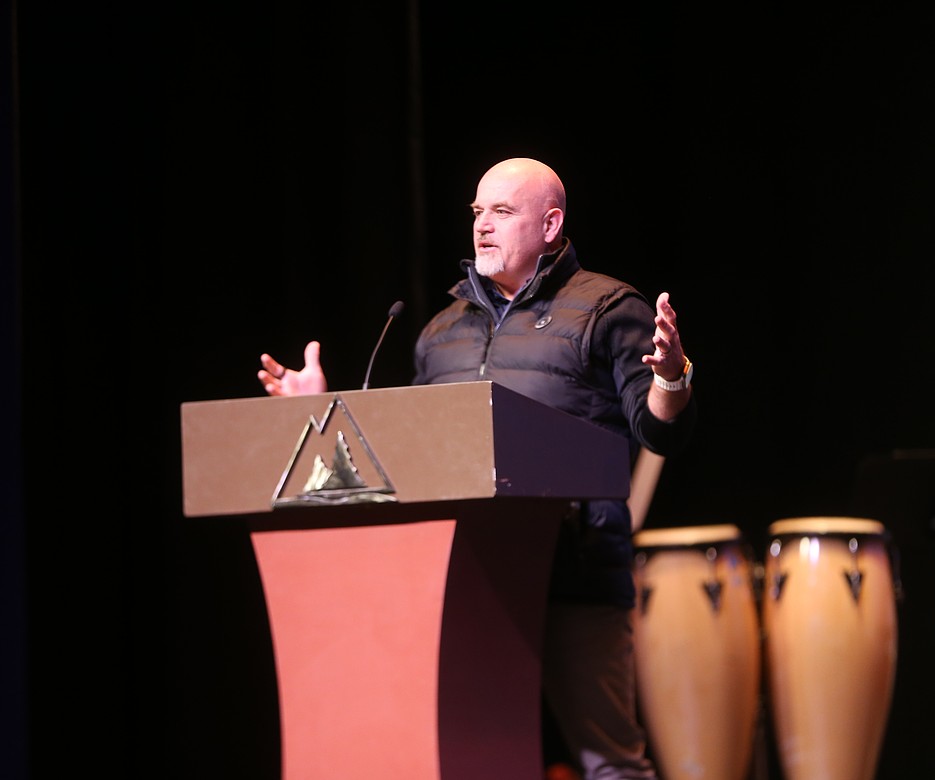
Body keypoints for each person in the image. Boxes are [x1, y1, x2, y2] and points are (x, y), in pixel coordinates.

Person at [257, 157, 697, 780]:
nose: (482, 226)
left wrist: (671, 377)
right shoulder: (441, 333)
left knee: (609, 763)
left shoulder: (606, 308)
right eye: (477, 212)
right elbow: (407, 460)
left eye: (502, 211)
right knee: (475, 758)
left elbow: (659, 433)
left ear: (550, 225)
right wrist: (320, 413)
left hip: (576, 575)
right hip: (470, 582)